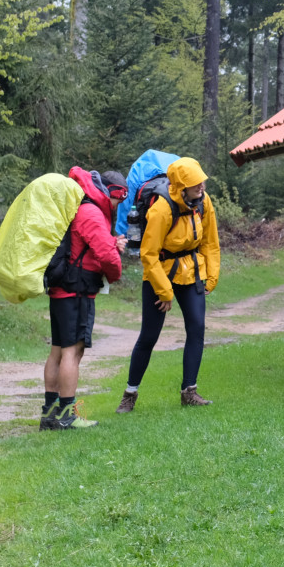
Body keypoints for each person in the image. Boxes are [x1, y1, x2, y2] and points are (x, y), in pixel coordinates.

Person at [116, 157, 220, 412]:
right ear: (182, 185)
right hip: (159, 274)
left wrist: (211, 276)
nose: (202, 187)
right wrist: (164, 291)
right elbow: (148, 255)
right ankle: (130, 394)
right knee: (149, 336)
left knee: (197, 329)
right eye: (196, 183)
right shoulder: (161, 209)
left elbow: (210, 242)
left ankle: (190, 392)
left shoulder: (204, 202)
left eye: (202, 182)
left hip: (192, 271)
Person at [41, 168, 128, 431]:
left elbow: (88, 245)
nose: (118, 206)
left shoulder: (80, 206)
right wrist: (115, 272)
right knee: (72, 352)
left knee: (57, 351)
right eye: (118, 200)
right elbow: (106, 257)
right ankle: (68, 415)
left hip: (62, 290)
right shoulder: (91, 211)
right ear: (111, 192)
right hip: (76, 291)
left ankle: (50, 414)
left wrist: (112, 242)